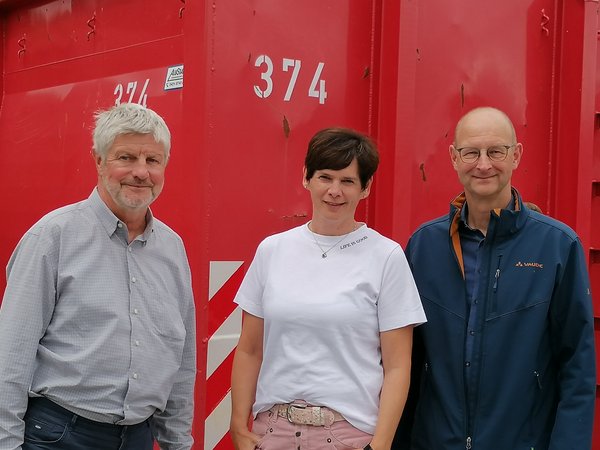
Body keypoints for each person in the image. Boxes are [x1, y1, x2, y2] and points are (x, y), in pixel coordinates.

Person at [394, 107, 596, 449]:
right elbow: (406, 362)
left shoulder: (557, 247)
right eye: (471, 152)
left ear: (516, 155)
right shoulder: (424, 246)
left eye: (496, 152)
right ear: (454, 158)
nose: (483, 164)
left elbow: (576, 365)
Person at [0, 103, 196, 450]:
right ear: (99, 161)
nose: (140, 172)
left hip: (139, 436)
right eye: (126, 157)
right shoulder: (52, 237)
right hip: (60, 435)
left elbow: (180, 362)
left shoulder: (172, 249)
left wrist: (177, 442)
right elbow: (11, 356)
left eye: (153, 160)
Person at [229, 127, 427, 450]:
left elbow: (397, 366)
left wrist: (380, 445)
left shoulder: (386, 257)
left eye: (348, 181)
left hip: (347, 435)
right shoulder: (272, 251)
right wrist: (238, 423)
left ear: (366, 188)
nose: (335, 191)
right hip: (273, 432)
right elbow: (250, 348)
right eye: (325, 177)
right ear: (306, 177)